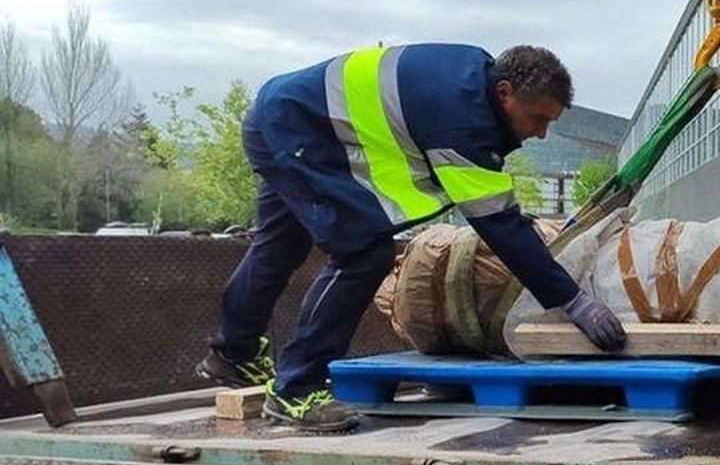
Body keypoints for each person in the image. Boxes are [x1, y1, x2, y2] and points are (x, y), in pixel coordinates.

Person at [197, 44, 627, 430]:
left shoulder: (474, 76)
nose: (540, 133)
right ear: (505, 93)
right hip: (300, 134)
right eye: (537, 119)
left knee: (280, 245)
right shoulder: (462, 121)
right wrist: (571, 300)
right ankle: (296, 390)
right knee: (363, 254)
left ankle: (232, 353)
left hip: (282, 120)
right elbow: (500, 226)